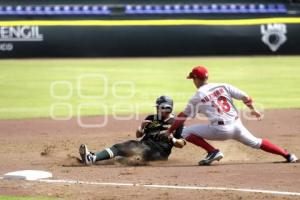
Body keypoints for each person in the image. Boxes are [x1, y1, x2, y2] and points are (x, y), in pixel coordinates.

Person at [165, 66, 298, 165]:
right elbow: (245, 97)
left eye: (192, 78)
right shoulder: (223, 86)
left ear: (195, 79)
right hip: (238, 126)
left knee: (186, 131)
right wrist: (252, 109)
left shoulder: (197, 97)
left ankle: (212, 152)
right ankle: (288, 156)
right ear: (207, 77)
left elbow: (182, 117)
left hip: (220, 130)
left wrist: (170, 130)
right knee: (257, 142)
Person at [79, 95, 186, 165]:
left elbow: (181, 144)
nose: (157, 109)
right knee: (121, 158)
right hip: (144, 147)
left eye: (158, 107)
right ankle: (98, 160)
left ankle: (92, 159)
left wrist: (173, 139)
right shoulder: (151, 118)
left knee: (119, 148)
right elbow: (138, 135)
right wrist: (141, 127)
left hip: (159, 153)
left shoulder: (176, 122)